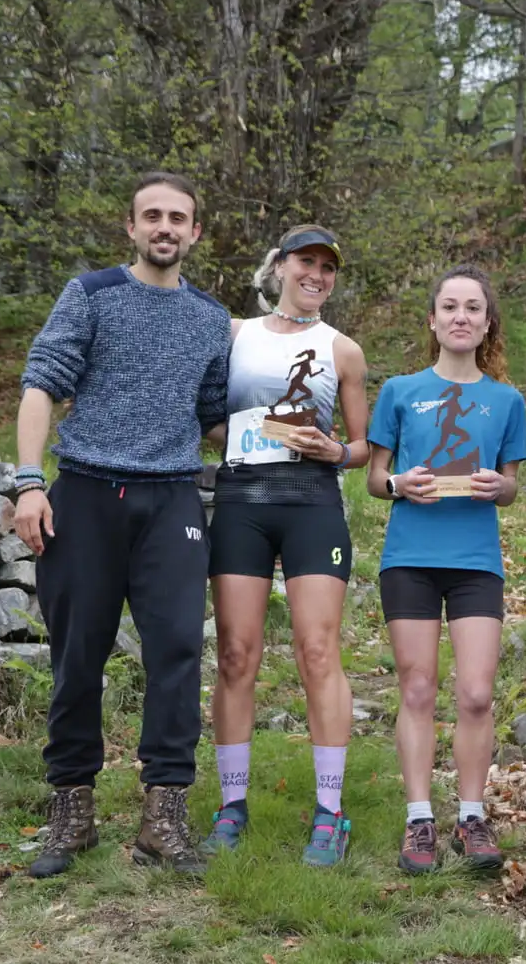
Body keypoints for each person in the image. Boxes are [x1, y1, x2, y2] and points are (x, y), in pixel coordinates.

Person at [15, 171, 231, 878]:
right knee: (78, 655)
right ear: (132, 227)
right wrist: (26, 482)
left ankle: (163, 816)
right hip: (84, 493)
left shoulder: (209, 317)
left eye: (179, 218)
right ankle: (70, 810)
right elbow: (42, 381)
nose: (165, 227)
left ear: (196, 232)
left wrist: (286, 449)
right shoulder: (92, 295)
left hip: (171, 500)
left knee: (176, 653)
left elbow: (212, 413)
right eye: (152, 216)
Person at [199, 224, 369, 868]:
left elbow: (362, 447)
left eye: (328, 267)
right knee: (237, 654)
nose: (317, 275)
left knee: (317, 651)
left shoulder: (342, 350)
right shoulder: (235, 334)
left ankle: (331, 812)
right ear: (279, 267)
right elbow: (207, 414)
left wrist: (335, 451)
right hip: (242, 499)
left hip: (312, 503)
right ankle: (231, 804)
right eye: (306, 262)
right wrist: (240, 428)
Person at [366, 264, 526, 875]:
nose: (462, 317)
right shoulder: (400, 391)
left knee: (477, 693)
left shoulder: (506, 399)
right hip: (409, 557)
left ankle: (471, 813)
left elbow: (512, 487)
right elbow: (375, 479)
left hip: (476, 563)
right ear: (433, 319)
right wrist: (399, 483)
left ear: (488, 324)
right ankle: (418, 819)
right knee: (416, 688)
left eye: (473, 309)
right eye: (450, 307)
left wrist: (497, 487)